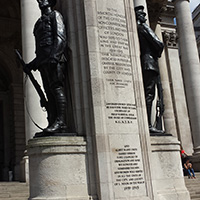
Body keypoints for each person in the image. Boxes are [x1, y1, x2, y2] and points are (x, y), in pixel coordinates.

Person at [27, 0, 68, 136]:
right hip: (43, 61)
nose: (41, 1)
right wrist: (31, 64)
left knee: (56, 88)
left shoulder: (55, 15)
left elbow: (60, 37)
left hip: (54, 59)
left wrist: (54, 57)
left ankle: (61, 122)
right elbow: (39, 49)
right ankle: (52, 122)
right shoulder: (38, 23)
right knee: (48, 92)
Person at [135, 6, 165, 135]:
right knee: (150, 95)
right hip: (150, 63)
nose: (145, 17)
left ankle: (149, 123)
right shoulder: (143, 27)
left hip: (145, 63)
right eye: (142, 14)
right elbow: (159, 43)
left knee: (149, 94)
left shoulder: (138, 29)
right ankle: (148, 124)